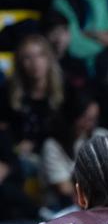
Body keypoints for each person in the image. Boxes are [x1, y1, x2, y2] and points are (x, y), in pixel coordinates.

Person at [0, 35, 64, 174]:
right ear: (20, 63)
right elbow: (4, 128)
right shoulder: (9, 91)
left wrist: (34, 143)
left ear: (48, 58)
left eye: (40, 55)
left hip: (56, 153)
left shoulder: (65, 90)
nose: (35, 63)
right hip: (19, 156)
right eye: (27, 57)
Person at [40, 91, 108, 212]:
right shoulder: (52, 146)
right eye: (86, 119)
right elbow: (65, 189)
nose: (90, 124)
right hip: (63, 208)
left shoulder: (101, 136)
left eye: (93, 119)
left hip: (103, 203)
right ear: (72, 116)